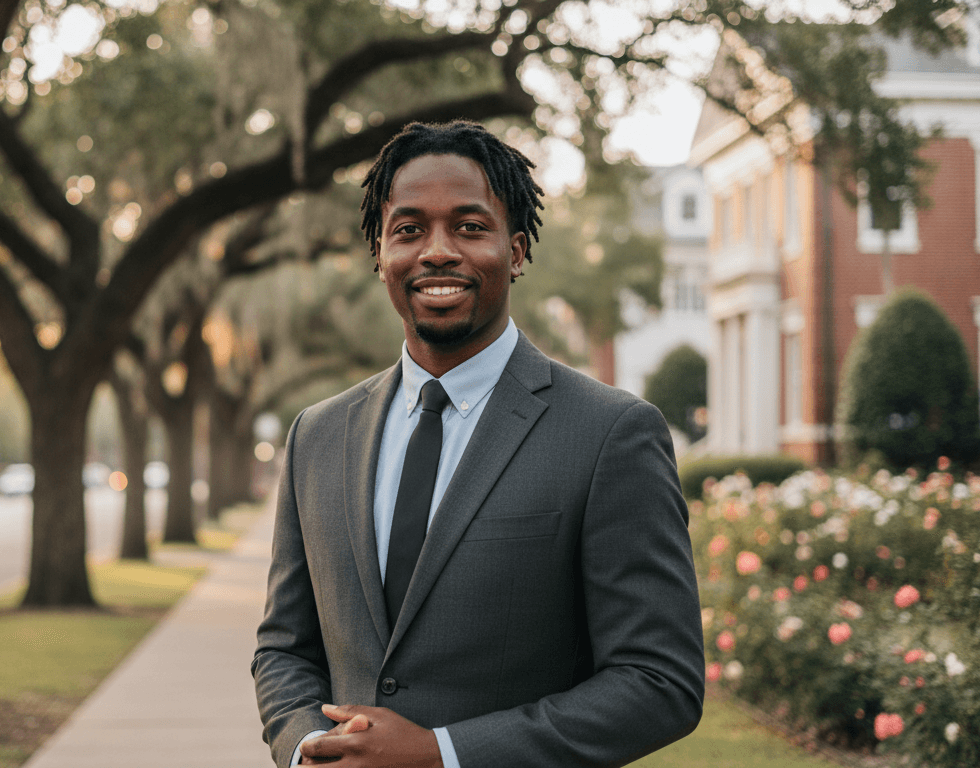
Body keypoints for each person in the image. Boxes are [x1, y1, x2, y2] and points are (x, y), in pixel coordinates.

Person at [252, 120, 704, 768]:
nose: (437, 252)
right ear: (380, 254)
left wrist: (441, 753)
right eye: (409, 230)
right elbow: (284, 648)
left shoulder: (610, 434)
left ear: (516, 251)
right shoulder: (317, 436)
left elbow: (660, 682)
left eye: (469, 227)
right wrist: (307, 747)